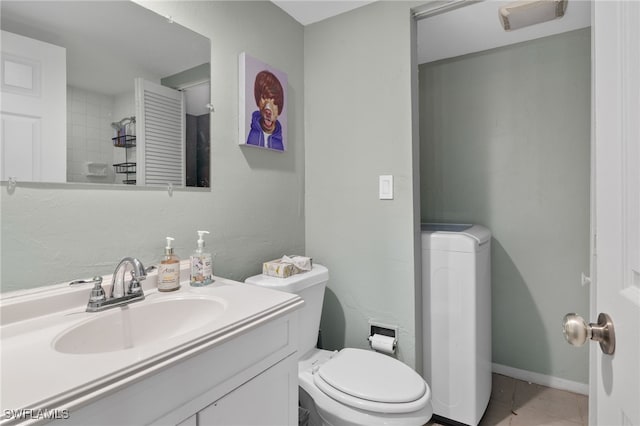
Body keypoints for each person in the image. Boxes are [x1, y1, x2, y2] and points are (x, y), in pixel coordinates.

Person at [246, 70, 284, 150]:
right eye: (264, 98)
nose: (268, 109)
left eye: (274, 102)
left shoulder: (279, 143)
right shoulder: (251, 135)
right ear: (258, 100)